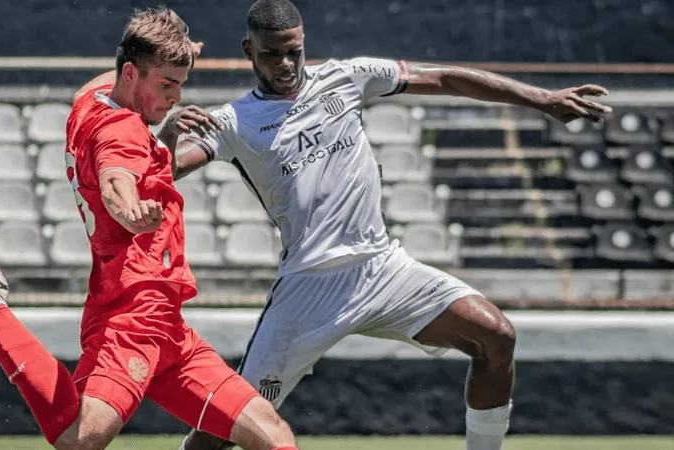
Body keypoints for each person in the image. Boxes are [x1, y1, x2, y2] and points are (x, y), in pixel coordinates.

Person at [175, 1, 613, 450]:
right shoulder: (232, 121)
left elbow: (444, 78)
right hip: (307, 288)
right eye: (271, 54)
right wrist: (167, 133)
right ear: (249, 50)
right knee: (221, 433)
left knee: (496, 337)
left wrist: (543, 99)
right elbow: (166, 168)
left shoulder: (347, 77)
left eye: (294, 51)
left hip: (383, 270)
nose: (285, 64)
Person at [0, 6, 301, 450]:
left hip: (166, 326)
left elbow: (103, 90)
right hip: (133, 318)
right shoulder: (123, 131)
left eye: (180, 86)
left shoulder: (90, 103)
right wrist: (129, 210)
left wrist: (171, 54)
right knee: (79, 439)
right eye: (166, 85)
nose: (174, 98)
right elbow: (117, 179)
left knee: (275, 437)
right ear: (131, 73)